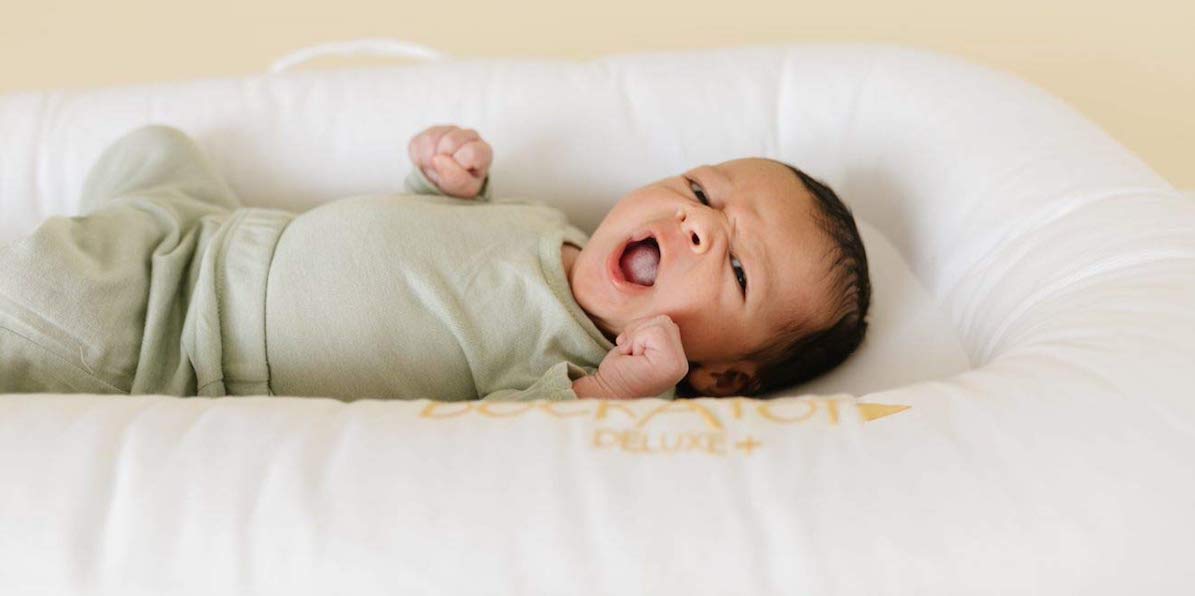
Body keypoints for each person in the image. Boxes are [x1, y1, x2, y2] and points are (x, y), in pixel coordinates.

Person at [0, 124, 870, 401]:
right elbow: (408, 241)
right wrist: (438, 179)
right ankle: (114, 211)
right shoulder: (544, 220)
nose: (695, 226)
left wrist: (612, 393)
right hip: (212, 233)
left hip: (171, 337)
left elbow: (499, 433)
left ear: (720, 378)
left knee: (42, 288)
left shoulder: (572, 366)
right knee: (156, 147)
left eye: (737, 270)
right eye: (701, 191)